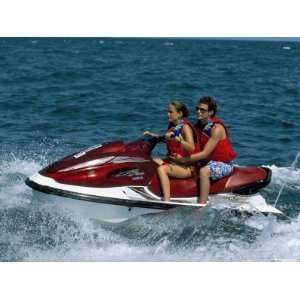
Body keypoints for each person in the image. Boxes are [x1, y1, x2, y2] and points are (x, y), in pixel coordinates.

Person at [171, 96, 237, 204]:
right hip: (207, 161)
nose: (198, 112)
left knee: (204, 171)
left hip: (223, 164)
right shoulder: (199, 126)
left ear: (210, 112)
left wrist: (184, 160)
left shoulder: (217, 129)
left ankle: (202, 205)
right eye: (197, 109)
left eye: (202, 110)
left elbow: (205, 153)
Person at [143, 100, 197, 201]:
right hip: (173, 161)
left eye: (171, 112)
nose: (168, 114)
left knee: (162, 169)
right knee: (150, 161)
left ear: (180, 113)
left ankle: (166, 200)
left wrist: (179, 140)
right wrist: (152, 135)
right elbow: (167, 138)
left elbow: (191, 147)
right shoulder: (173, 126)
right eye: (168, 111)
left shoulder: (185, 128)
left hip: (186, 166)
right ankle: (151, 192)